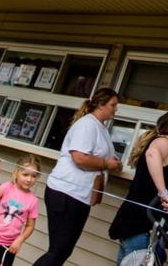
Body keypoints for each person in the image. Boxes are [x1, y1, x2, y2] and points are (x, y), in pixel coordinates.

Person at [34, 88, 122, 266]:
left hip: (79, 196)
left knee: (63, 251)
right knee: (58, 251)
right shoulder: (87, 124)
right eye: (113, 105)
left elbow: (102, 157)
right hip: (66, 192)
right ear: (100, 104)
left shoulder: (101, 128)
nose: (115, 109)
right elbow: (79, 158)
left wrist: (114, 164)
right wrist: (106, 164)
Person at [109, 109, 168, 264]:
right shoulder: (163, 142)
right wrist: (164, 194)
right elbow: (152, 154)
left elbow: (165, 176)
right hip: (141, 226)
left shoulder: (165, 146)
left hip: (136, 223)